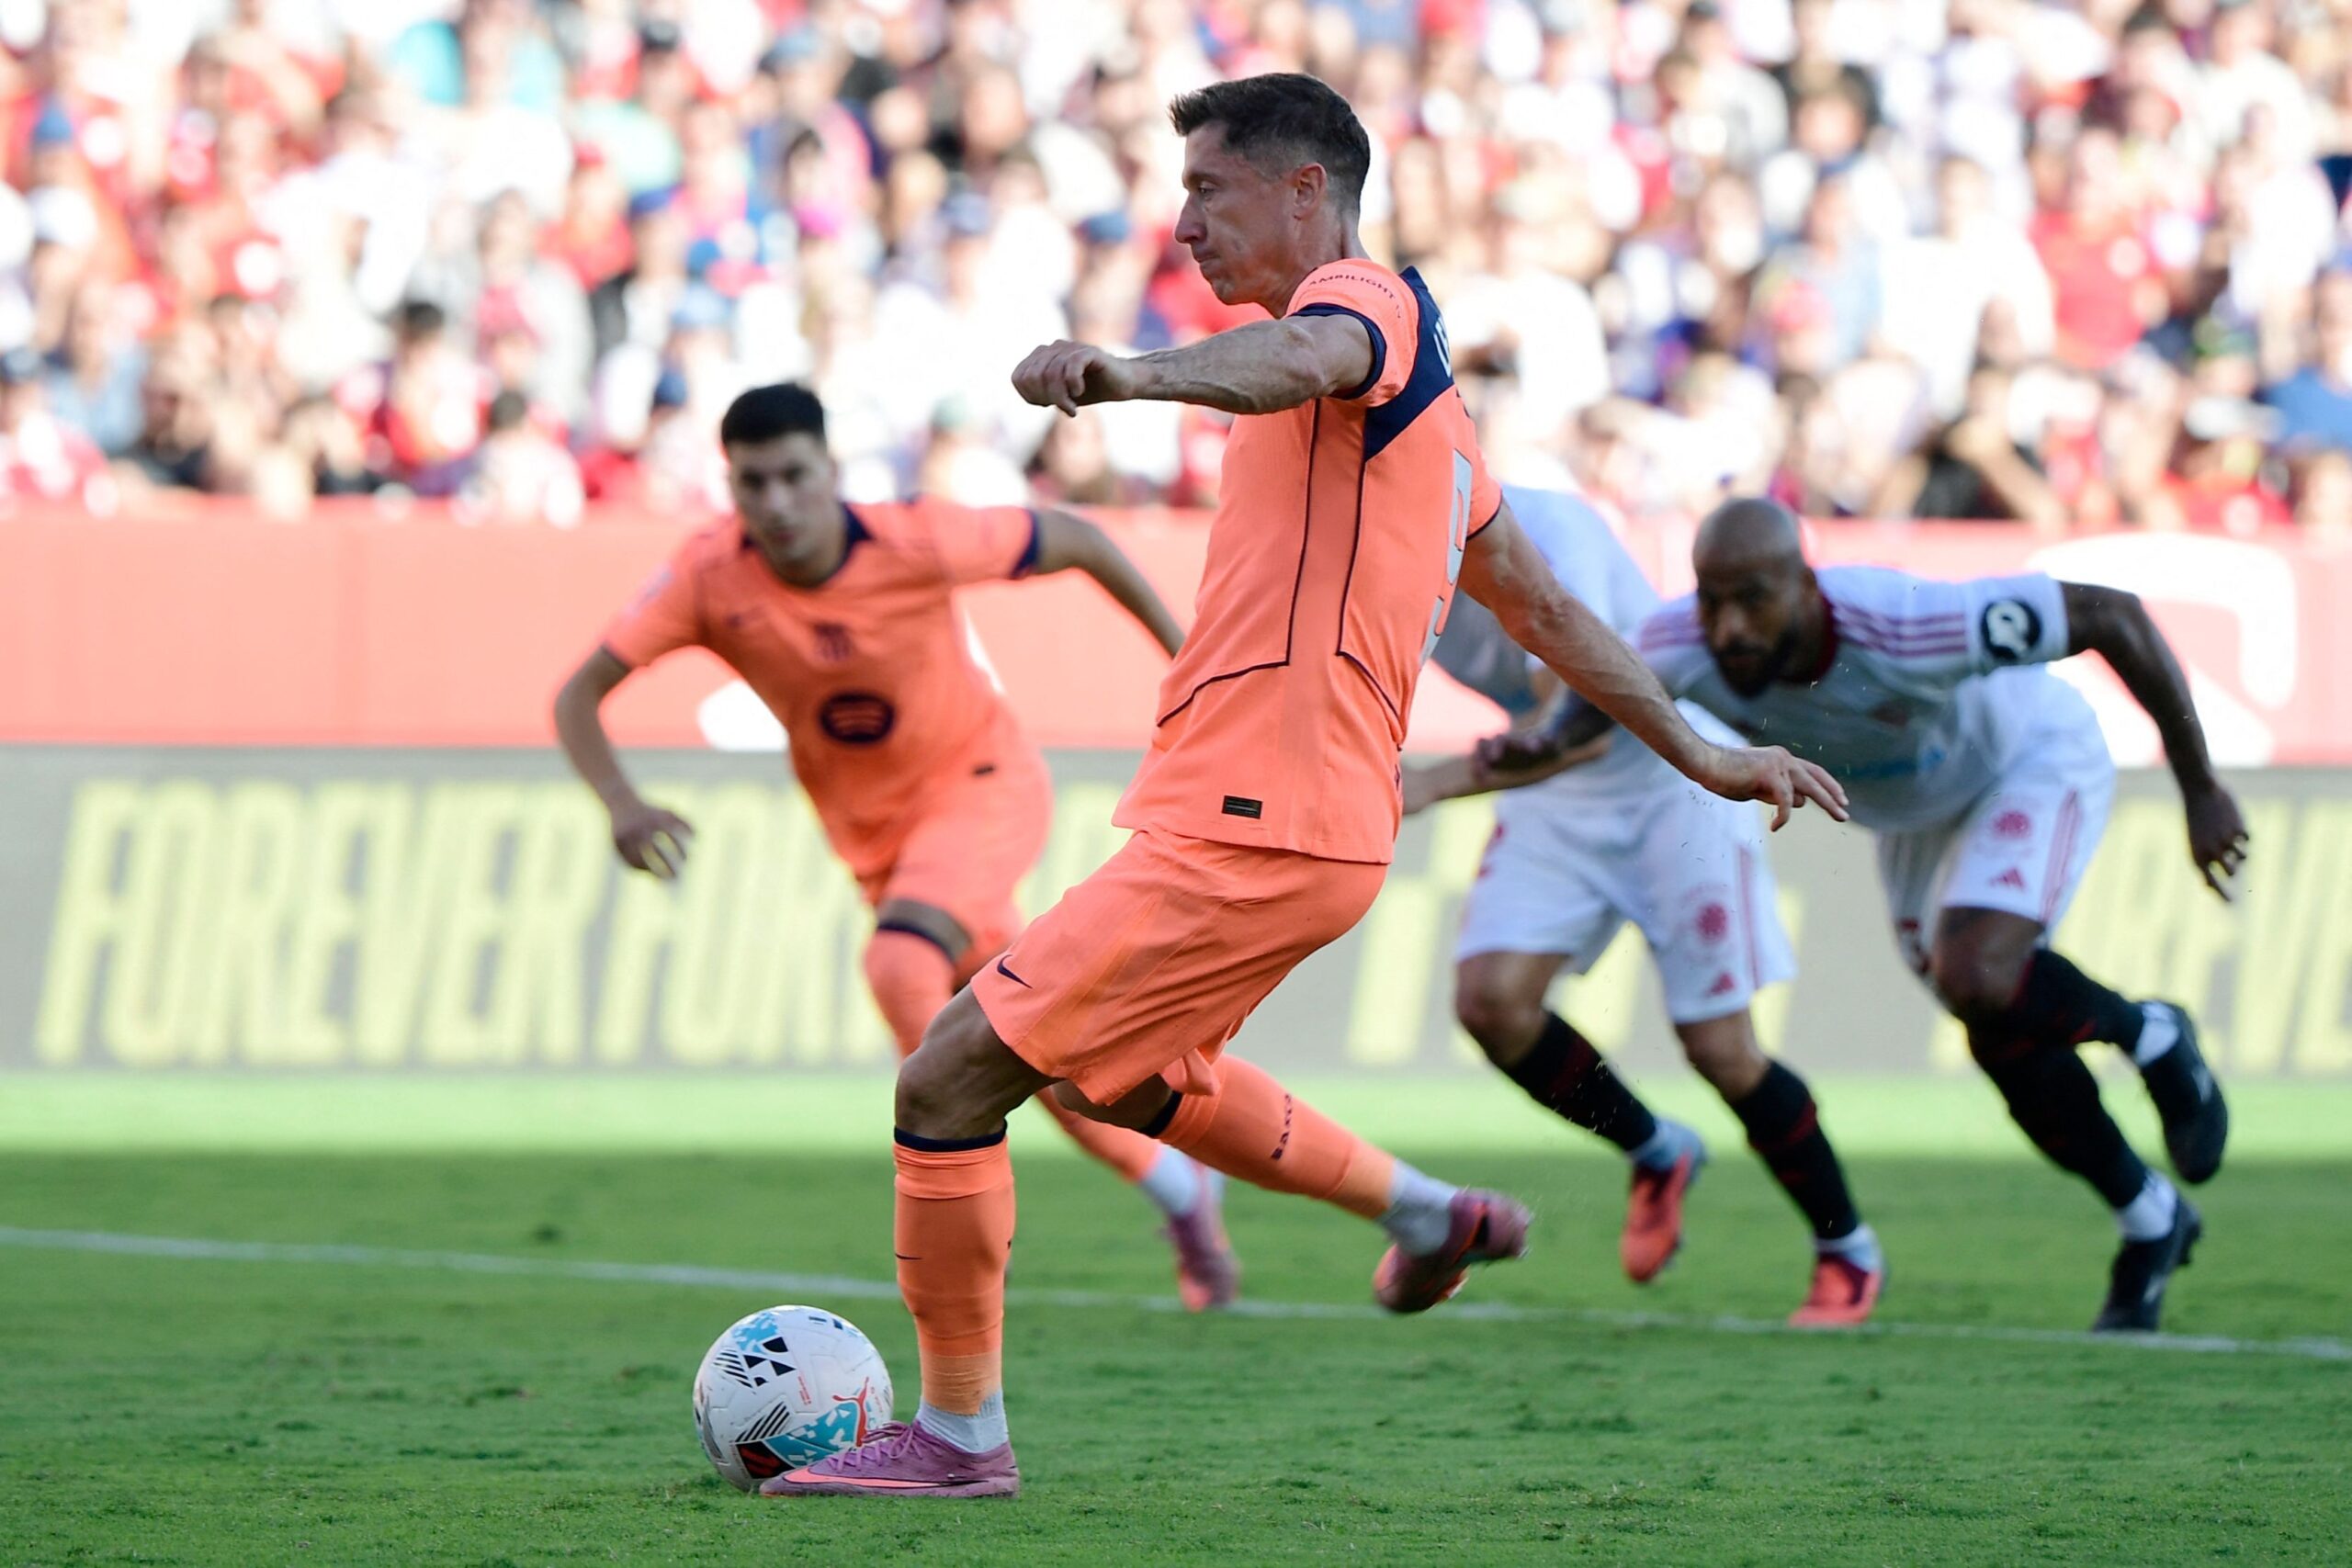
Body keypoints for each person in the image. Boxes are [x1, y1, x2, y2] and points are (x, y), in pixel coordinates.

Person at [764, 73, 1845, 1502]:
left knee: (948, 1074)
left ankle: (961, 1435)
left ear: (1302, 190)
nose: (1185, 221)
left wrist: (1131, 372)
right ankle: (1425, 1210)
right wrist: (1708, 750)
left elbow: (1313, 357)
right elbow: (1552, 617)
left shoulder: (1364, 318)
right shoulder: (1436, 436)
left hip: (1252, 823)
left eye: (1208, 189)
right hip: (1291, 826)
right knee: (1134, 1075)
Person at [553, 381, 1242, 1311]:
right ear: (731, 487)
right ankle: (1184, 1187)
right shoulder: (710, 578)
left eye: (795, 476)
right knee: (1038, 1044)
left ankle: (959, 1176)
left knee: (899, 968)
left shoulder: (912, 537)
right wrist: (621, 804)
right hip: (878, 845)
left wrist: (1184, 660)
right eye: (754, 484)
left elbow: (1077, 539)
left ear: (831, 472)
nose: (778, 503)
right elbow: (578, 694)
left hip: (983, 790)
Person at [1487, 497, 2242, 1335]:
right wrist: (1540, 742)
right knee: (1995, 1027)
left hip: (2027, 760)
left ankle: (2153, 1035)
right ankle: (2150, 1217)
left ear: (1805, 586)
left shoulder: (1908, 624)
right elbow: (1595, 700)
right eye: (1711, 599)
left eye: (1752, 599)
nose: (1729, 626)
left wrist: (2201, 789)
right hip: (1913, 819)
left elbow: (2112, 614)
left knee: (1979, 974)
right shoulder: (1682, 644)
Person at [1404, 486, 1882, 1326]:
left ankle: (1847, 1246)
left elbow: (1580, 721)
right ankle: (1658, 1151)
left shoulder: (1548, 535)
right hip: (1558, 798)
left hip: (1672, 776)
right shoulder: (1381, 561)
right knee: (1491, 1004)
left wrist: (1432, 786)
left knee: (1722, 1052)